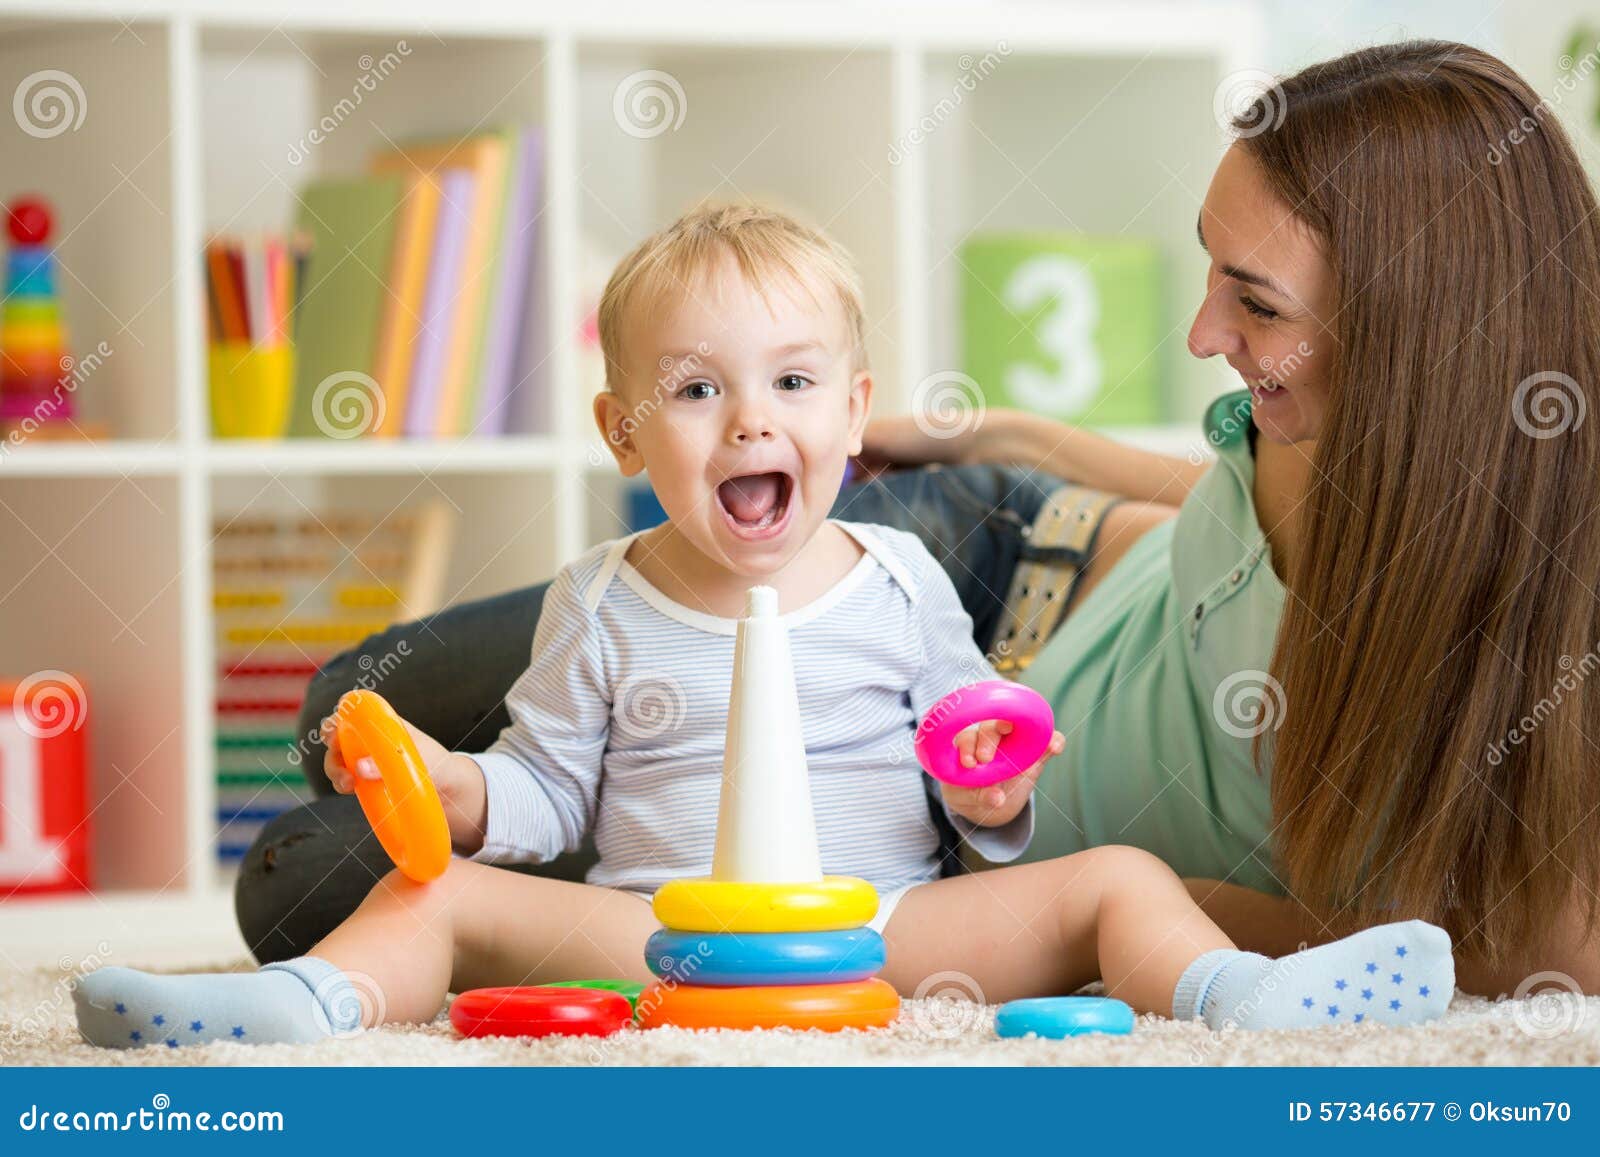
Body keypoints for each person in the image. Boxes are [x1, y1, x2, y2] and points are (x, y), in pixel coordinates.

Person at [74, 205, 1450, 1048]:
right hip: (661, 934)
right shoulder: (601, 599)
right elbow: (553, 788)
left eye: (794, 381)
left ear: (855, 415)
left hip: (883, 931)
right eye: (694, 390)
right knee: (431, 890)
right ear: (621, 430)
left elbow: (976, 786)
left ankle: (1232, 999)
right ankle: (298, 1010)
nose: (752, 421)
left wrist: (995, 789)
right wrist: (465, 791)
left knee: (1117, 880)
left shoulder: (906, 577)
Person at [862, 40, 1600, 995]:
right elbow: (1217, 502)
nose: (1204, 335)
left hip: (962, 821)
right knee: (633, 702)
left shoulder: (1539, 619)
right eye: (1214, 267)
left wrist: (1162, 910)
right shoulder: (1305, 426)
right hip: (997, 572)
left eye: (1256, 302)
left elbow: (1538, 959)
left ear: (1421, 343)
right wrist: (1005, 437)